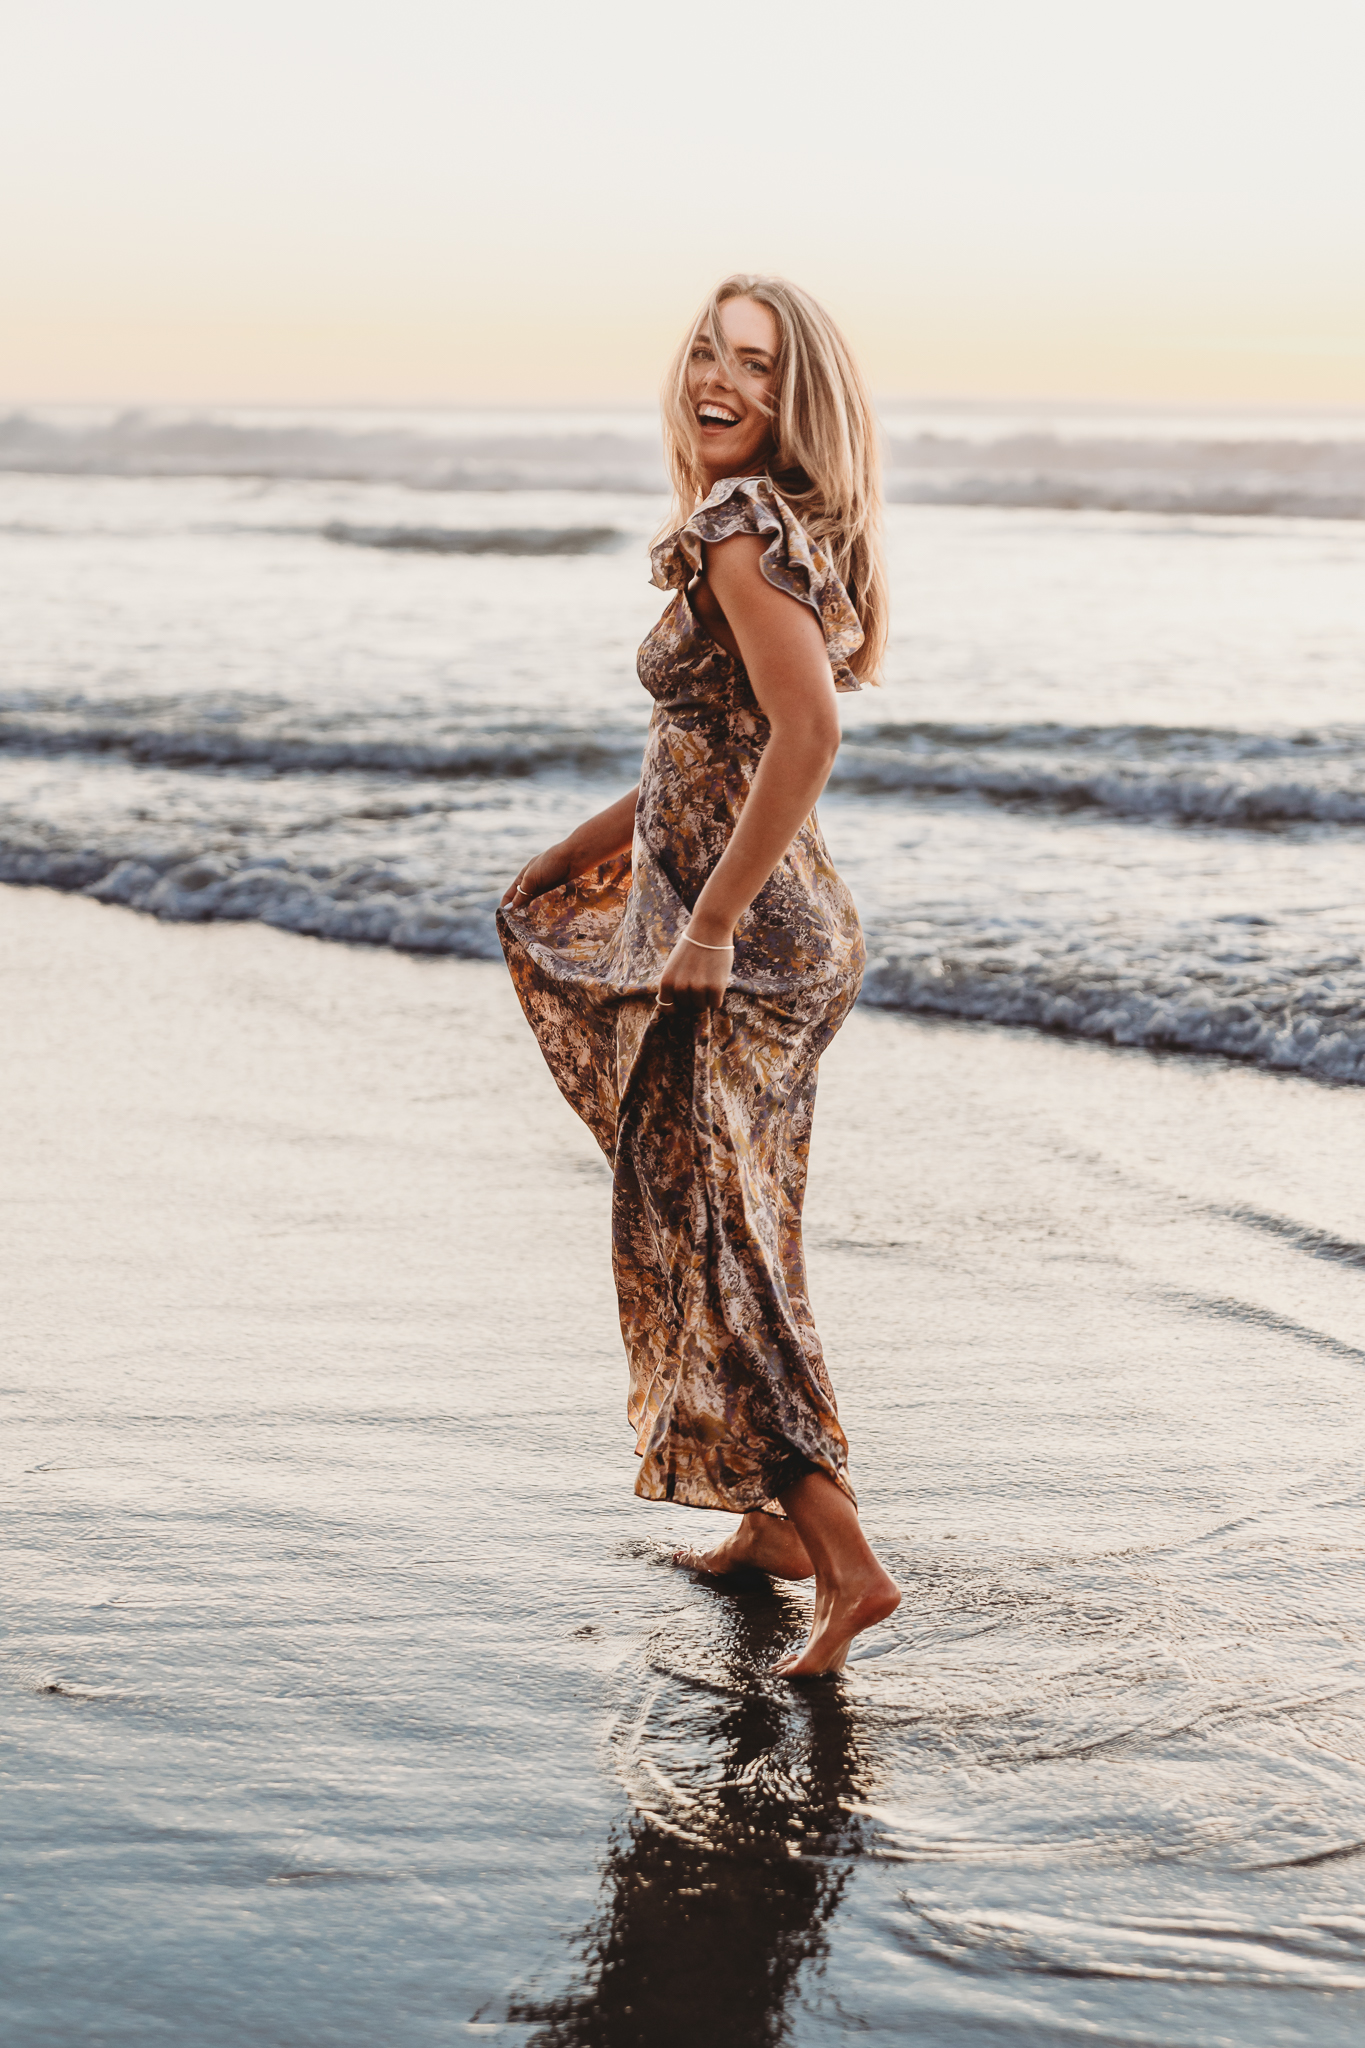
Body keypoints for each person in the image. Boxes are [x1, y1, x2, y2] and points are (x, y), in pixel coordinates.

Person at [497, 274, 899, 1675]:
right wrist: (573, 849)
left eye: (757, 367)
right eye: (706, 354)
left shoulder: (740, 531)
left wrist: (709, 926)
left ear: (802, 401)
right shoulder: (772, 528)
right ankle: (773, 1528)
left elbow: (803, 742)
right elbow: (700, 761)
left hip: (754, 947)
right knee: (743, 1232)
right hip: (781, 932)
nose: (718, 381)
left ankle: (846, 1566)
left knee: (718, 1247)